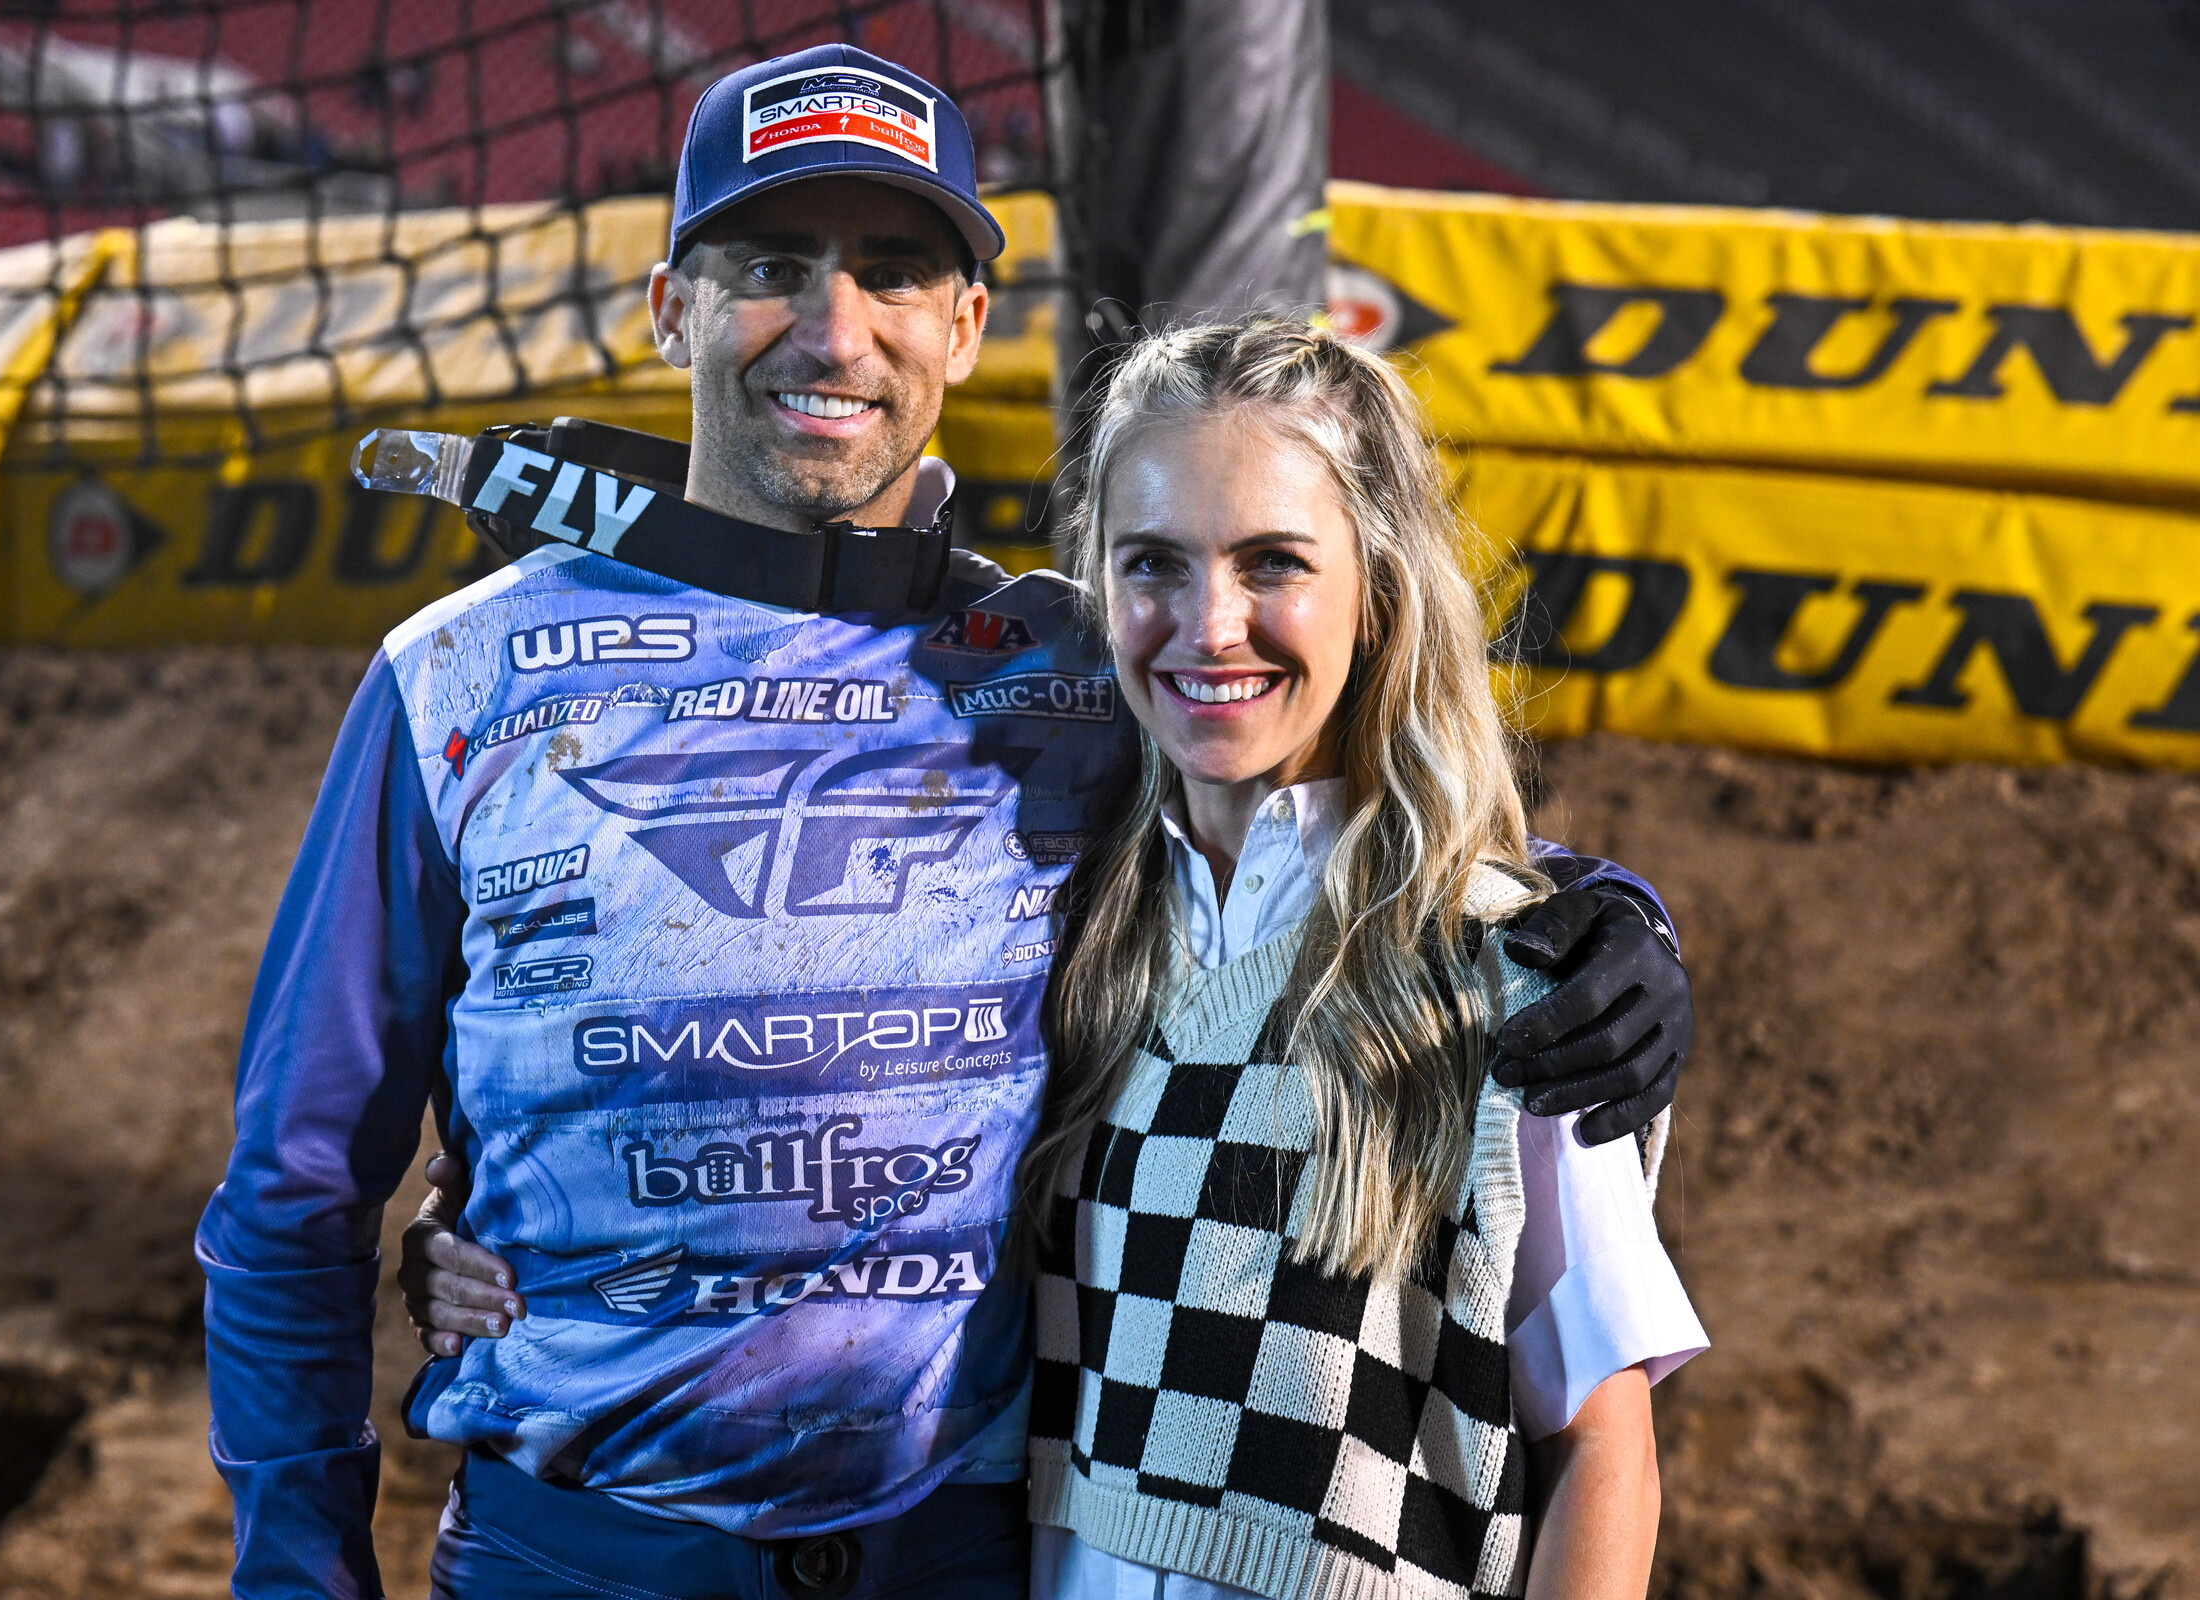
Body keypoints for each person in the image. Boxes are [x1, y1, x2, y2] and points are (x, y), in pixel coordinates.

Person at [200, 43, 1691, 1600]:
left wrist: (1604, 916)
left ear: (967, 325)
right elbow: (295, 1187)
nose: (834, 330)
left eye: (897, 275)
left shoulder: (1069, 670)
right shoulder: (460, 678)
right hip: (580, 1559)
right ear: (673, 305)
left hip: (970, 1558)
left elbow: (1328, 788)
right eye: (772, 266)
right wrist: (299, 1574)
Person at [1016, 319, 1706, 1598]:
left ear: (1378, 586)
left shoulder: (1508, 973)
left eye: (1274, 562)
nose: (1209, 626)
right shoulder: (1060, 931)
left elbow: (1605, 1450)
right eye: (1151, 563)